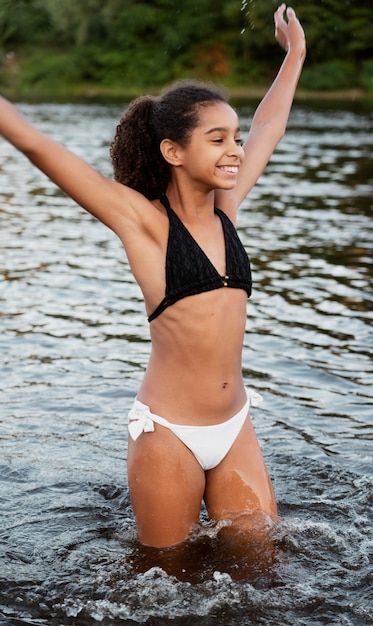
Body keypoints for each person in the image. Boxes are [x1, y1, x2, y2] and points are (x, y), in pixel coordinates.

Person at [0, 4, 306, 548]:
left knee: (267, 565)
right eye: (218, 139)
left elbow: (270, 125)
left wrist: (295, 55)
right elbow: (37, 145)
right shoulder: (142, 223)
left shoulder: (226, 210)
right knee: (165, 580)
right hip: (168, 434)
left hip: (235, 426)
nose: (236, 150)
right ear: (173, 151)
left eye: (234, 138)